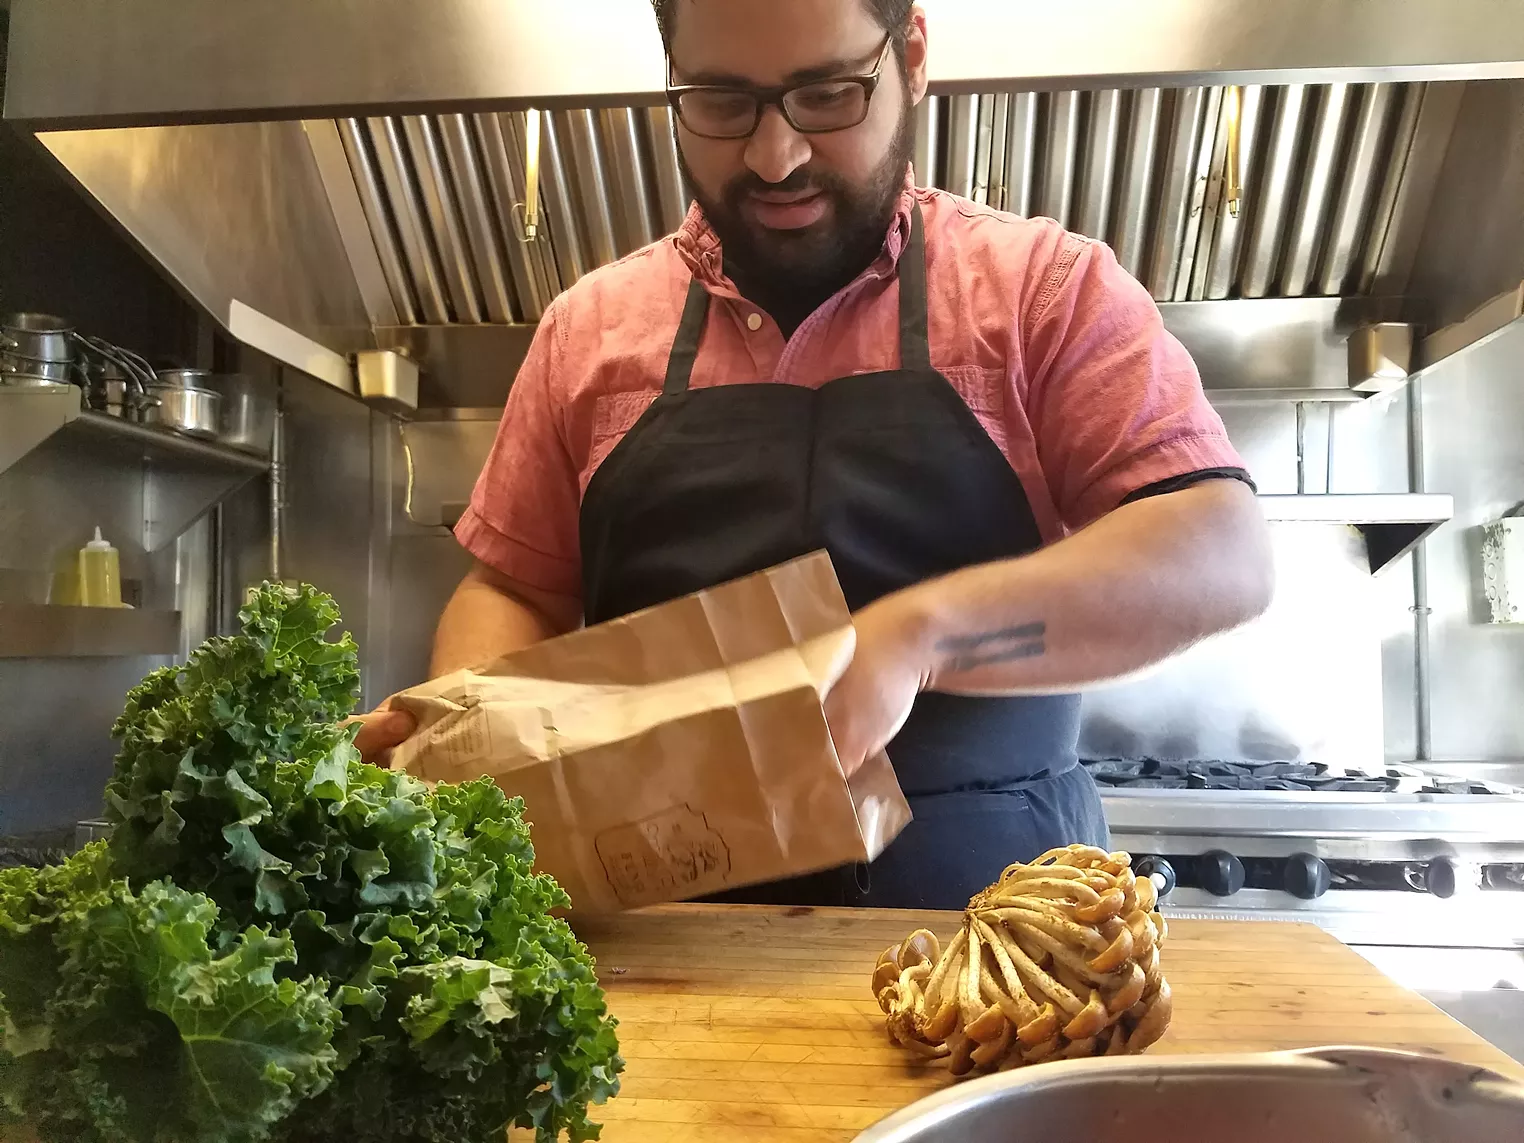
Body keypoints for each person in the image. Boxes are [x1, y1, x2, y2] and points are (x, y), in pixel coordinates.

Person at [355, 0, 1274, 909]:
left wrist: (921, 637)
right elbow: (516, 588)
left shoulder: (1042, 293)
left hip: (996, 947)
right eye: (721, 102)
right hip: (663, 952)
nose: (775, 155)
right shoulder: (587, 331)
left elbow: (1220, 550)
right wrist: (466, 735)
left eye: (828, 94)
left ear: (911, 56)